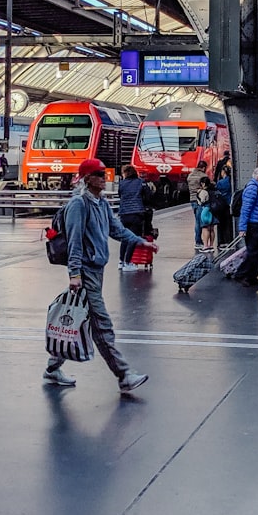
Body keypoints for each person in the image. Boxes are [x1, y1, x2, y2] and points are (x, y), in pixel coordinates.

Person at [43, 158, 157, 391]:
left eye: (105, 173)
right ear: (87, 179)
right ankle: (123, 374)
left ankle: (52, 369)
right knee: (101, 324)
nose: (104, 177)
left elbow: (116, 230)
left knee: (76, 319)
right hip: (85, 272)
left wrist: (140, 243)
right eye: (99, 173)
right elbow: (74, 241)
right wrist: (74, 274)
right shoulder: (79, 204)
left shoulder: (101, 203)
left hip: (96, 270)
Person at [236, 166, 258, 287]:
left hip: (256, 223)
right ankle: (243, 274)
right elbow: (245, 209)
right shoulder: (253, 189)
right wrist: (242, 228)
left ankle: (252, 276)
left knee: (255, 251)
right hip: (252, 225)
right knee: (253, 252)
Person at [117, 165, 150, 271]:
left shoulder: (122, 183)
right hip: (136, 213)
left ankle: (121, 262)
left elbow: (120, 194)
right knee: (133, 238)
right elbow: (147, 196)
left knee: (125, 237)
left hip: (124, 213)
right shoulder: (141, 182)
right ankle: (127, 262)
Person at [186, 161, 209, 249]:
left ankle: (198, 240)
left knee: (197, 220)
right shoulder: (203, 176)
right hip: (200, 200)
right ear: (203, 168)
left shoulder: (190, 175)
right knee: (199, 221)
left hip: (192, 200)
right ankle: (198, 241)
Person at [197, 177, 219, 252]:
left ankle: (206, 246)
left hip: (205, 210)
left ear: (203, 183)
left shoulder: (203, 192)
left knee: (205, 228)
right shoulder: (214, 190)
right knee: (211, 229)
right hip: (213, 210)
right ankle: (211, 245)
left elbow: (201, 202)